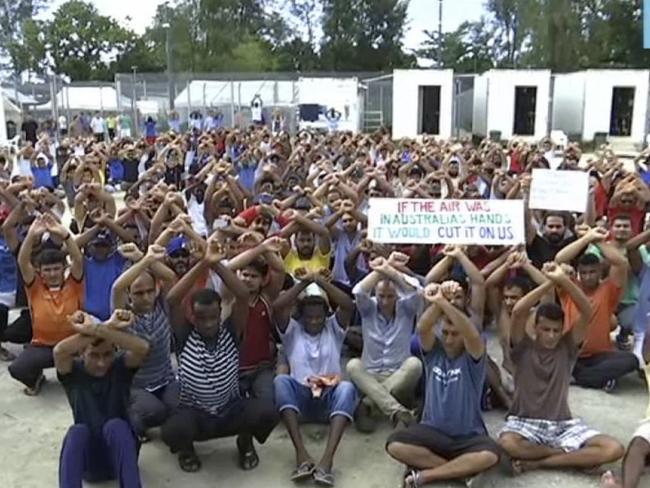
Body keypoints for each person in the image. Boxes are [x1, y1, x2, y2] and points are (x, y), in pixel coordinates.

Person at [161, 237, 277, 472]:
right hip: (196, 413)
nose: (208, 323)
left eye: (213, 317)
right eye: (201, 318)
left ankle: (245, 441)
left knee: (267, 411)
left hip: (230, 409)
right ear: (192, 318)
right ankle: (187, 450)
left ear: (220, 314)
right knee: (172, 431)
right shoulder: (185, 337)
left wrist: (217, 264)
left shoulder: (232, 332)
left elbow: (242, 295)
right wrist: (203, 264)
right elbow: (172, 299)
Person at [499, 262, 624, 474]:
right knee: (507, 444)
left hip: (562, 424)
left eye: (556, 330)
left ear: (561, 330)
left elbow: (586, 309)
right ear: (536, 327)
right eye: (545, 329)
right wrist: (549, 284)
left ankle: (539, 462)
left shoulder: (567, 347)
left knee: (614, 448)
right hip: (524, 423)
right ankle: (568, 456)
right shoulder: (522, 347)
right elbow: (519, 311)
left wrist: (563, 280)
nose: (551, 335)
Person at [386, 281, 501, 487]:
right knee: (394, 444)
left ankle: (429, 475)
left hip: (468, 436)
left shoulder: (473, 356)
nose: (448, 340)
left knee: (490, 455)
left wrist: (444, 302)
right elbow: (423, 327)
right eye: (445, 332)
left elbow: (473, 334)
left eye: (455, 334)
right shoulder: (434, 353)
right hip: (432, 432)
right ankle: (458, 472)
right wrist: (439, 301)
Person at [272, 267, 357, 485]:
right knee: (281, 381)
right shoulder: (291, 330)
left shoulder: (334, 329)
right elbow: (278, 306)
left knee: (347, 388)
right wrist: (303, 283)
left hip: (329, 400)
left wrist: (320, 281)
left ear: (326, 315)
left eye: (319, 316)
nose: (314, 321)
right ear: (301, 315)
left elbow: (348, 304)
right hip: (301, 401)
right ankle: (301, 455)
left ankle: (326, 462)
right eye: (309, 316)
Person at [55, 309, 150, 488]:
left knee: (116, 426)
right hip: (89, 462)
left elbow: (142, 348)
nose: (101, 362)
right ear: (82, 353)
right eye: (94, 355)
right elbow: (59, 351)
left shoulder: (120, 368)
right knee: (76, 432)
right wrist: (107, 327)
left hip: (120, 455)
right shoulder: (73, 374)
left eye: (107, 355)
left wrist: (100, 329)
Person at [554, 226, 639, 390]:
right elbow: (559, 259)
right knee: (557, 359)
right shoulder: (570, 286)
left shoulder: (608, 289)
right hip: (571, 353)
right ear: (578, 273)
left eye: (592, 272)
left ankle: (581, 378)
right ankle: (600, 378)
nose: (587, 276)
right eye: (583, 273)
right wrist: (586, 238)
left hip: (599, 355)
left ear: (600, 271)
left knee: (631, 361)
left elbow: (621, 262)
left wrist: (598, 241)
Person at [347, 253, 423, 432]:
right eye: (381, 296)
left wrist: (391, 270)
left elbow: (417, 291)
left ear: (397, 295)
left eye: (390, 296)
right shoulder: (368, 308)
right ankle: (398, 412)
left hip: (399, 378)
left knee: (415, 364)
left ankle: (368, 404)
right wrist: (381, 270)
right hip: (370, 375)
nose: (385, 301)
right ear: (375, 294)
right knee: (352, 365)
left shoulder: (406, 309)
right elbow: (358, 291)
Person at [9, 214, 84, 396]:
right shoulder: (34, 287)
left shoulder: (74, 283)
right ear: (40, 272)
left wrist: (65, 235)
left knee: (84, 372)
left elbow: (77, 259)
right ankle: (37, 378)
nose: (52, 274)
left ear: (63, 269)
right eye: (47, 270)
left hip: (72, 346)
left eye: (56, 268)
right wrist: (31, 235)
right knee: (17, 369)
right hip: (42, 346)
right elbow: (22, 261)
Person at [111, 243, 179, 441]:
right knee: (154, 413)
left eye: (150, 291)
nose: (146, 297)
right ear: (129, 296)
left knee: (181, 404)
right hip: (136, 386)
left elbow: (170, 277)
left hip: (166, 379)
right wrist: (146, 261)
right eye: (139, 293)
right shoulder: (123, 317)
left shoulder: (162, 306)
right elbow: (117, 288)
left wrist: (143, 256)